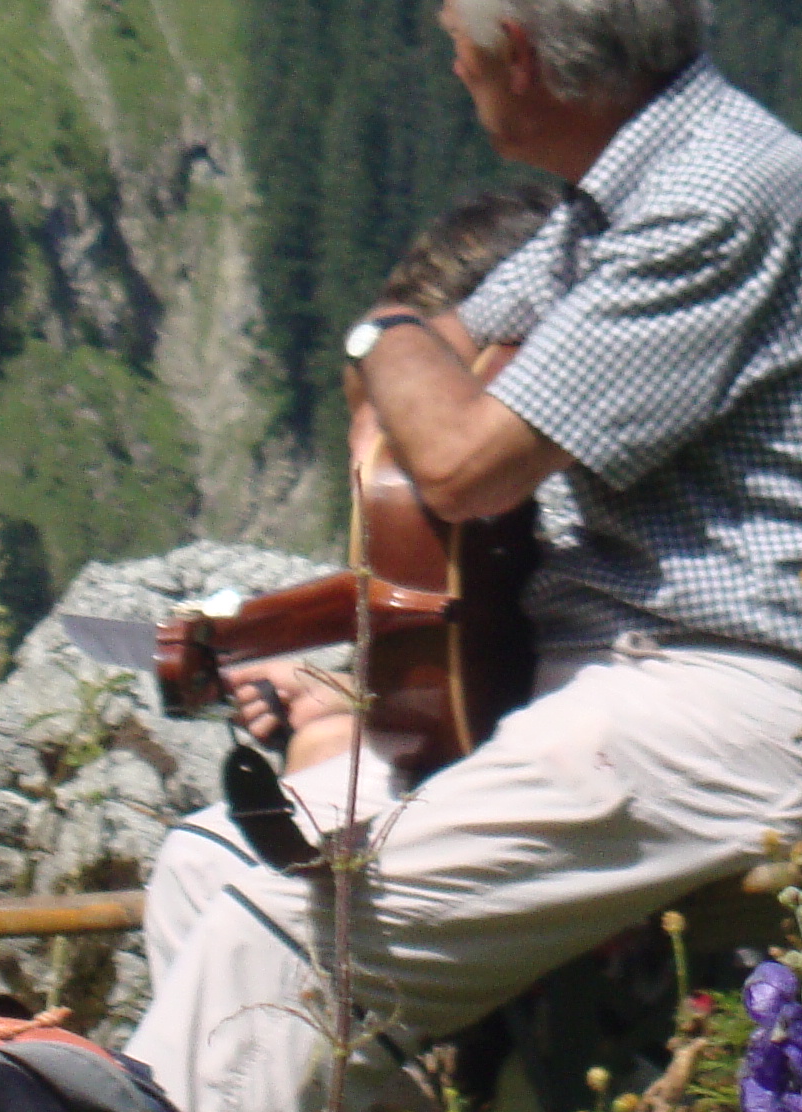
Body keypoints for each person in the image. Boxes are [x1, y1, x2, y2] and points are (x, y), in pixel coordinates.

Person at [132, 0, 802, 1112]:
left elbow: (454, 454)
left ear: (521, 56)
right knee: (207, 872)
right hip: (628, 693)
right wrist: (412, 365)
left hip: (733, 700)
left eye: (458, 44)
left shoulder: (714, 200)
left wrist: (376, 331)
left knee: (272, 942)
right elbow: (427, 387)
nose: (451, 68)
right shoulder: (621, 198)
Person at [139, 180, 557, 977]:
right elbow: (462, 655)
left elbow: (513, 677)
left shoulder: (541, 474)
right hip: (471, 773)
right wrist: (344, 696)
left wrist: (337, 725)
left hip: (526, 794)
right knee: (196, 866)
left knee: (214, 874)